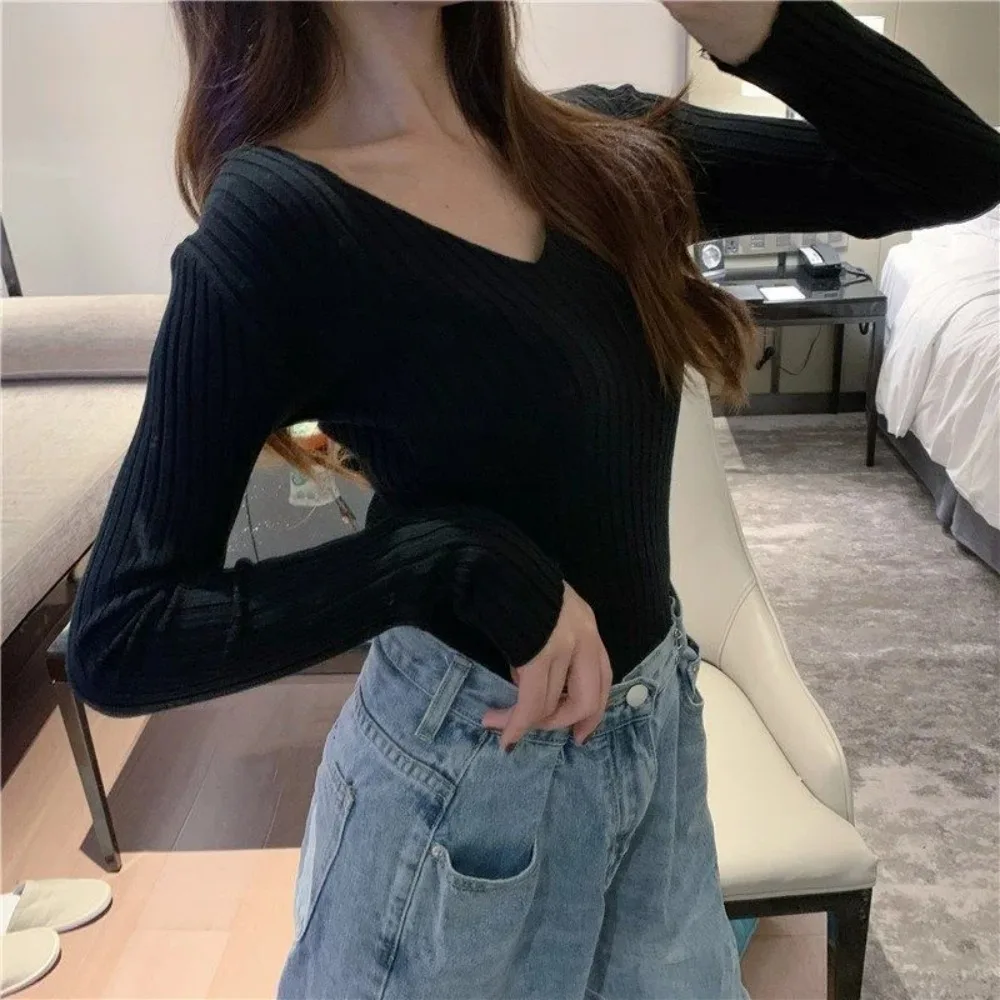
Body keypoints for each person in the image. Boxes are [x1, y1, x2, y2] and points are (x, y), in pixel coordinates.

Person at [68, 2, 1000, 997]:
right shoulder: (278, 222)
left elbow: (955, 170)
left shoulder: (604, 149)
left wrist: (752, 20)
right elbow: (123, 636)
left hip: (653, 748)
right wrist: (442, 561)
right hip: (462, 791)